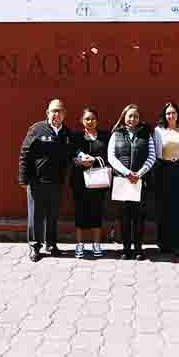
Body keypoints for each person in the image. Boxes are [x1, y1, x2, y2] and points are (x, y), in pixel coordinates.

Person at [18, 98, 75, 262]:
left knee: (53, 215)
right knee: (35, 215)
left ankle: (51, 244)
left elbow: (71, 153)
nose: (56, 114)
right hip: (37, 180)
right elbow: (25, 153)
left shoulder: (66, 133)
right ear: (47, 113)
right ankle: (35, 246)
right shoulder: (37, 129)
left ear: (64, 114)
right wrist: (23, 179)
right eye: (53, 110)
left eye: (60, 111)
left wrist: (80, 159)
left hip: (56, 181)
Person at [107, 104, 156, 260]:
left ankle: (138, 248)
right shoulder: (116, 134)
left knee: (139, 216)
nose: (132, 119)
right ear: (124, 117)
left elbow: (152, 156)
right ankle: (126, 248)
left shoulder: (146, 134)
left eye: (135, 116)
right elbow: (111, 157)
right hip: (122, 181)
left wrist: (139, 174)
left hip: (140, 181)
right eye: (130, 116)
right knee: (124, 216)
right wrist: (127, 173)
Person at [153, 101, 179, 258]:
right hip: (164, 169)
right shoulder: (158, 131)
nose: (171, 115)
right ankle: (164, 243)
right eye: (168, 113)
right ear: (164, 115)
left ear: (177, 114)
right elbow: (156, 152)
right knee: (164, 207)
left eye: (173, 113)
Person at [70, 107, 111, 259]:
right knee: (80, 212)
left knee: (97, 212)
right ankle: (80, 244)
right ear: (82, 121)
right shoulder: (76, 137)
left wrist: (94, 160)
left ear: (97, 121)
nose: (90, 121)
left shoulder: (105, 136)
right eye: (87, 118)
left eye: (93, 118)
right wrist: (79, 161)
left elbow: (110, 156)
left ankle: (96, 244)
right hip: (80, 181)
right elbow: (70, 156)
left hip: (98, 181)